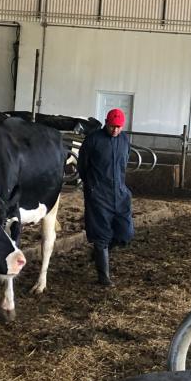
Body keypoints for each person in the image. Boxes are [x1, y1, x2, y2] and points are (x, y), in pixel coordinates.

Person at [77, 108, 134, 286]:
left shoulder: (125, 140)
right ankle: (104, 277)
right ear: (106, 123)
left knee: (126, 232)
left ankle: (99, 253)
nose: (115, 130)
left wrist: (121, 188)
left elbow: (125, 163)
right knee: (101, 235)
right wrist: (92, 187)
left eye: (118, 127)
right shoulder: (93, 140)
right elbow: (82, 166)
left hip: (120, 192)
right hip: (99, 195)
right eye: (112, 126)